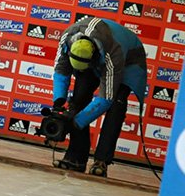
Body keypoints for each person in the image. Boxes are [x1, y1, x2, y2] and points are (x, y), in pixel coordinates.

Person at [51, 17, 148, 177]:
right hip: (96, 53)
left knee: (116, 105)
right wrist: (59, 104)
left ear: (93, 58)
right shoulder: (67, 39)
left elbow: (105, 99)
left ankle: (101, 161)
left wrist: (75, 123)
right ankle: (75, 158)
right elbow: (61, 71)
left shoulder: (112, 55)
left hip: (127, 61)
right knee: (77, 101)